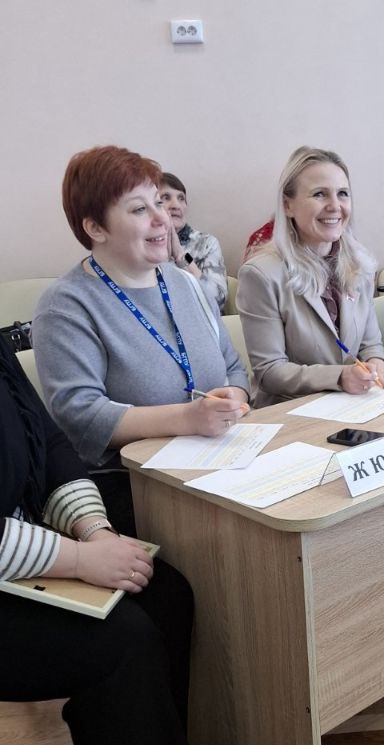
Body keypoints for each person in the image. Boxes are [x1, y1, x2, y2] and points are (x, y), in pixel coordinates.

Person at [0, 334, 249, 745]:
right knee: (120, 641)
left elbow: (49, 445)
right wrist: (78, 560)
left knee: (165, 594)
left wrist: (96, 532)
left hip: (17, 554)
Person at [33, 146, 250, 533]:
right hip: (134, 489)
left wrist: (235, 397)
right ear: (95, 228)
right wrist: (187, 418)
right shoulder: (66, 305)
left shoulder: (186, 284)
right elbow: (79, 414)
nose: (161, 218)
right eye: (139, 209)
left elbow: (232, 367)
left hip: (223, 464)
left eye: (158, 203)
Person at [236, 146, 384, 407]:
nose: (335, 206)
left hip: (354, 405)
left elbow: (370, 345)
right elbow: (270, 372)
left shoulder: (361, 265)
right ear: (288, 205)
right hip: (292, 411)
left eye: (343, 194)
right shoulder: (260, 274)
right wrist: (340, 377)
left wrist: (377, 362)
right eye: (319, 194)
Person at [158, 171, 228, 309]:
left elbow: (218, 299)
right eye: (166, 197)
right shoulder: (143, 246)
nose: (176, 205)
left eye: (181, 198)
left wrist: (181, 256)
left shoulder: (206, 243)